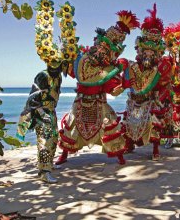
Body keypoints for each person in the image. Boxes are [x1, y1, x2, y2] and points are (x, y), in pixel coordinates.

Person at [56, 10, 139, 165]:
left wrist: (125, 83)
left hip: (99, 103)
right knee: (71, 126)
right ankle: (65, 154)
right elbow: (72, 71)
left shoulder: (110, 69)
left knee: (110, 125)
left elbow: (113, 90)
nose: (101, 50)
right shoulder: (82, 60)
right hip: (80, 102)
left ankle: (119, 155)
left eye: (107, 49)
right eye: (100, 46)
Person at [121, 4, 172, 160]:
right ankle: (128, 144)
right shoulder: (133, 66)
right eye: (146, 51)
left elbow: (165, 85)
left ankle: (155, 149)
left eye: (152, 51)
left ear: (157, 52)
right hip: (134, 100)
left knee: (154, 122)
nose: (149, 54)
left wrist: (158, 94)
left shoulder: (162, 68)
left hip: (150, 100)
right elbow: (126, 81)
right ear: (140, 51)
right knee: (128, 121)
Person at [17, 62, 63, 183]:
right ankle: (43, 172)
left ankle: (49, 164)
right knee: (44, 140)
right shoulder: (42, 76)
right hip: (40, 113)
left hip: (51, 112)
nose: (55, 66)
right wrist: (42, 113)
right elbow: (33, 98)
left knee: (53, 138)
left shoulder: (59, 76)